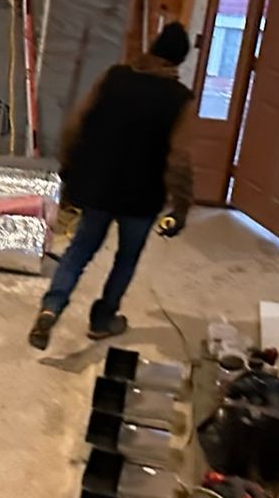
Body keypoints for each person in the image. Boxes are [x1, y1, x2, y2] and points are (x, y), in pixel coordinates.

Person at [28, 23, 195, 351]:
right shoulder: (180, 99)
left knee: (79, 251)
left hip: (99, 187)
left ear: (152, 46)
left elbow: (76, 123)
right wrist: (183, 206)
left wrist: (69, 168)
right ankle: (102, 321)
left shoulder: (114, 76)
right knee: (126, 259)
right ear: (179, 60)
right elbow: (179, 160)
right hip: (142, 196)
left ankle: (51, 308)